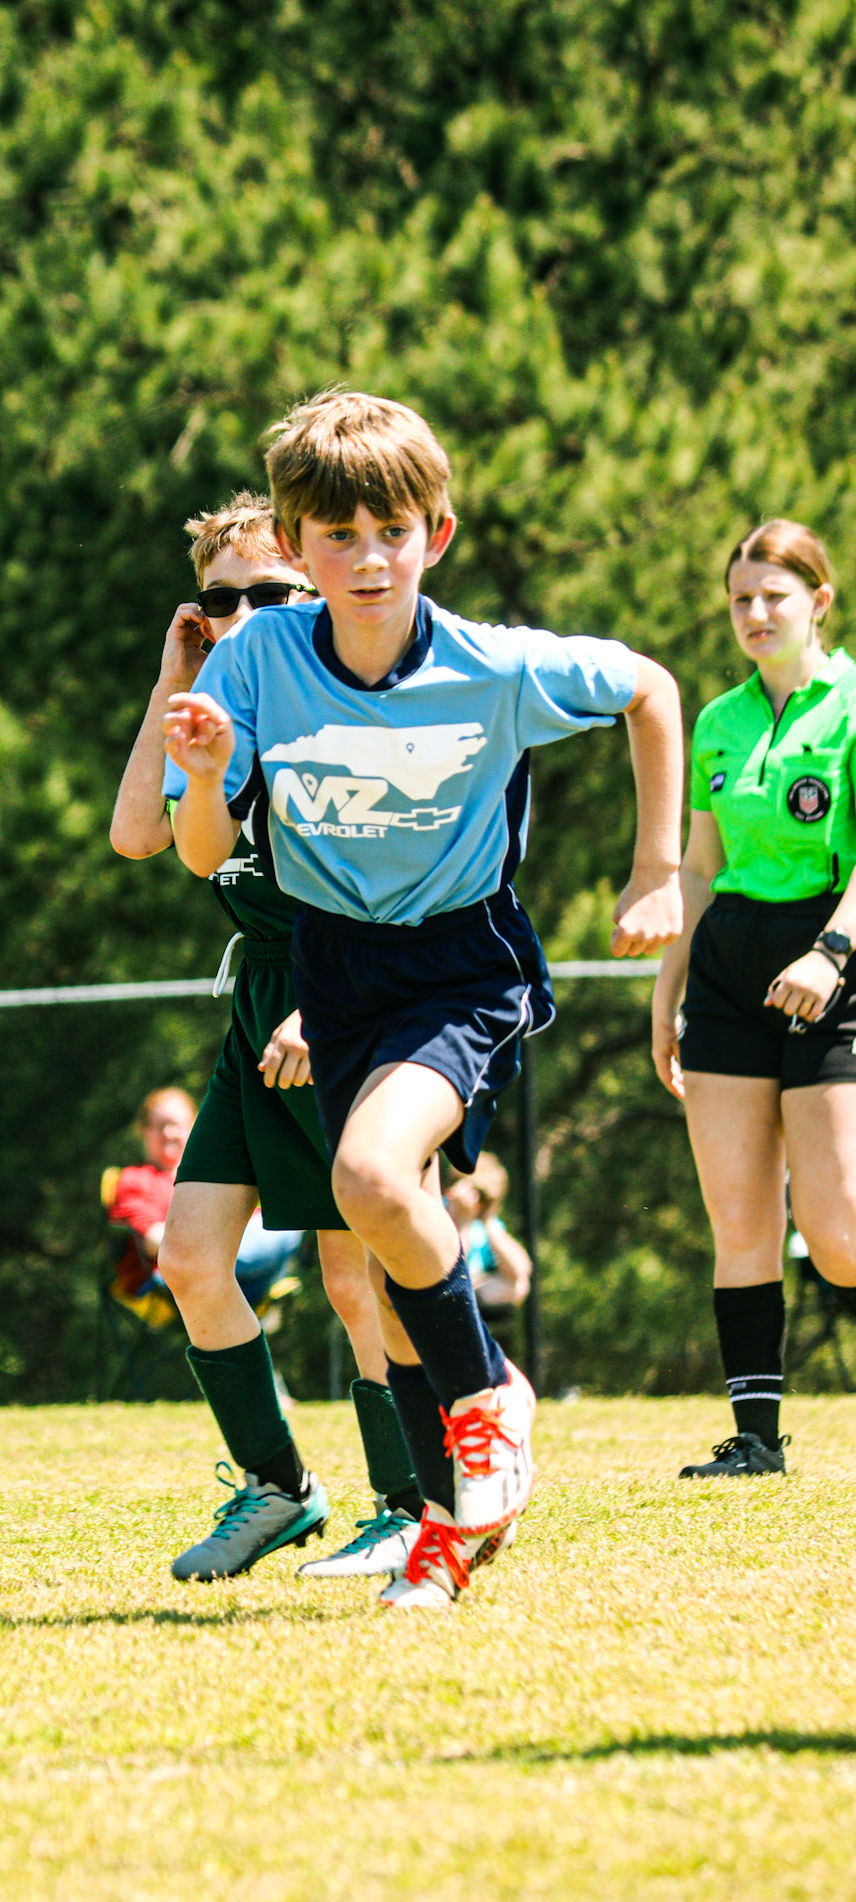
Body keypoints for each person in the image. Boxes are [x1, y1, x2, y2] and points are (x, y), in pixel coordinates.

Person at [165, 389, 683, 1612]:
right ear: (297, 548)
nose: (367, 558)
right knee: (395, 1275)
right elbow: (200, 852)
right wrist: (207, 774)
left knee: (372, 1180)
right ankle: (449, 1527)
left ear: (434, 535)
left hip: (461, 966)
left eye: (391, 531)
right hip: (337, 968)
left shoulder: (493, 664)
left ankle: (490, 1397)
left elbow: (651, 689)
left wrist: (658, 866)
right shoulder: (256, 660)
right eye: (336, 536)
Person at [111, 491, 428, 1583]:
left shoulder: (338, 700)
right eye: (218, 599)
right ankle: (281, 1488)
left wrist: (321, 1008)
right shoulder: (208, 708)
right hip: (259, 1004)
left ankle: (415, 1504)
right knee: (190, 1257)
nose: (240, 613)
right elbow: (136, 833)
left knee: (358, 1275)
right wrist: (172, 676)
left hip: (352, 996)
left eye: (267, 591)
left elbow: (398, 881)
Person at [651, 519, 856, 1478]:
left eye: (774, 595)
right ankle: (755, 1442)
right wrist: (668, 991)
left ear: (819, 601)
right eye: (740, 598)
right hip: (727, 975)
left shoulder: (849, 703)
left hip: (831, 966)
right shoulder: (717, 721)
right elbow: (698, 868)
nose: (754, 612)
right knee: (738, 1222)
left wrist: (830, 953)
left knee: (839, 1233)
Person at [105, 1084, 303, 1316]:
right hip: (174, 1277)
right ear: (145, 1131)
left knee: (284, 1223)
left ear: (192, 1128)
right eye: (160, 1126)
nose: (169, 1133)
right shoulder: (135, 1179)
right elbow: (154, 1240)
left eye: (176, 1125)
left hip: (233, 1272)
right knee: (284, 1229)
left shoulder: (209, 1175)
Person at [444, 1154, 531, 1317]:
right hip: (440, 1290)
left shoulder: (485, 1222)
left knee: (519, 1285)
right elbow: (450, 1271)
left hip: (474, 1291)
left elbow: (521, 1270)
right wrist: (463, 1221)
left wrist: (487, 1219)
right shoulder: (440, 1211)